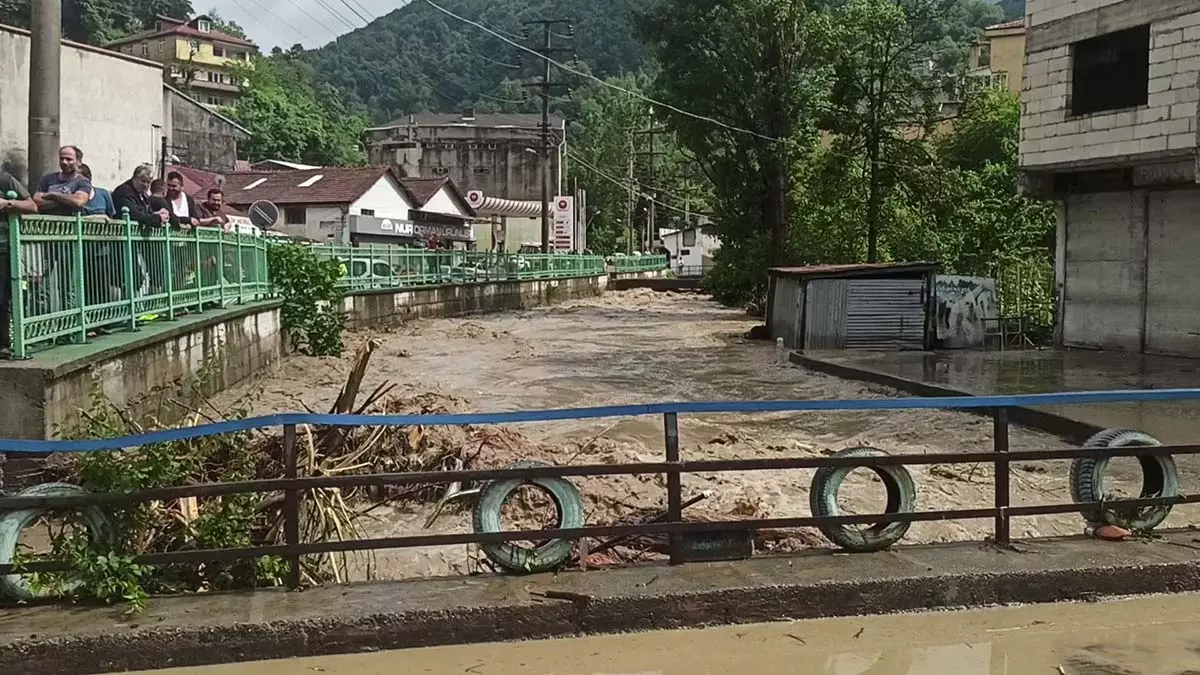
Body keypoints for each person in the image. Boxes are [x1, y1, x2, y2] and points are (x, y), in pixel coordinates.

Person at [0, 170, 38, 355]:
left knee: (2, 297)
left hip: (3, 246)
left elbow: (32, 205)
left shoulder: (5, 179)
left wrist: (8, 203)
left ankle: (4, 343)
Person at [33, 145, 91, 216]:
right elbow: (37, 201)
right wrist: (68, 200)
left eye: (69, 159)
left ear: (79, 162)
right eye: (62, 158)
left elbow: (78, 201)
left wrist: (53, 195)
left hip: (70, 225)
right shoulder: (47, 179)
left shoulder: (83, 182)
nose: (64, 162)